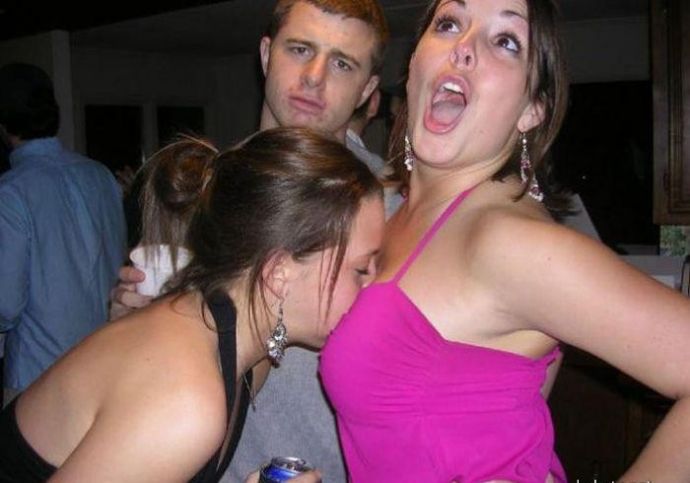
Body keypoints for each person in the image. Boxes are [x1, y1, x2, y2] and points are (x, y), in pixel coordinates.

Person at [320, 0, 690, 481]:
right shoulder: (392, 211)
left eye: (506, 41)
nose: (464, 47)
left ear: (533, 109)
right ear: (412, 67)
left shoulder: (510, 242)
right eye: (449, 23)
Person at [0, 127, 385, 482]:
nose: (373, 287)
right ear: (279, 273)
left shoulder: (246, 351)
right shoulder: (186, 397)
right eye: (361, 269)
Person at [111, 1, 393, 481]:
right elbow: (150, 364)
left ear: (367, 91)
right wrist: (128, 323)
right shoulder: (201, 188)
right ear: (266, 55)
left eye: (342, 63)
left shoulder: (394, 213)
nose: (314, 77)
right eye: (299, 49)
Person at [0, 63, 126, 406]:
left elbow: (5, 305)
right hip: (102, 366)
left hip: (40, 380)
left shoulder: (11, 192)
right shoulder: (100, 176)